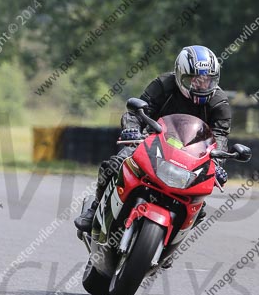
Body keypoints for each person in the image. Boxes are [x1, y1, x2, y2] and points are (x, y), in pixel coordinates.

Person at [75, 45, 231, 233]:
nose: (202, 85)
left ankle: (172, 242)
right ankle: (94, 209)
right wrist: (132, 131)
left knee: (199, 202)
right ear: (181, 75)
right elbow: (135, 113)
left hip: (192, 155)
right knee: (115, 165)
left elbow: (220, 137)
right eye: (195, 80)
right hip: (152, 141)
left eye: (208, 81)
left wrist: (218, 165)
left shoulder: (220, 103)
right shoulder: (164, 84)